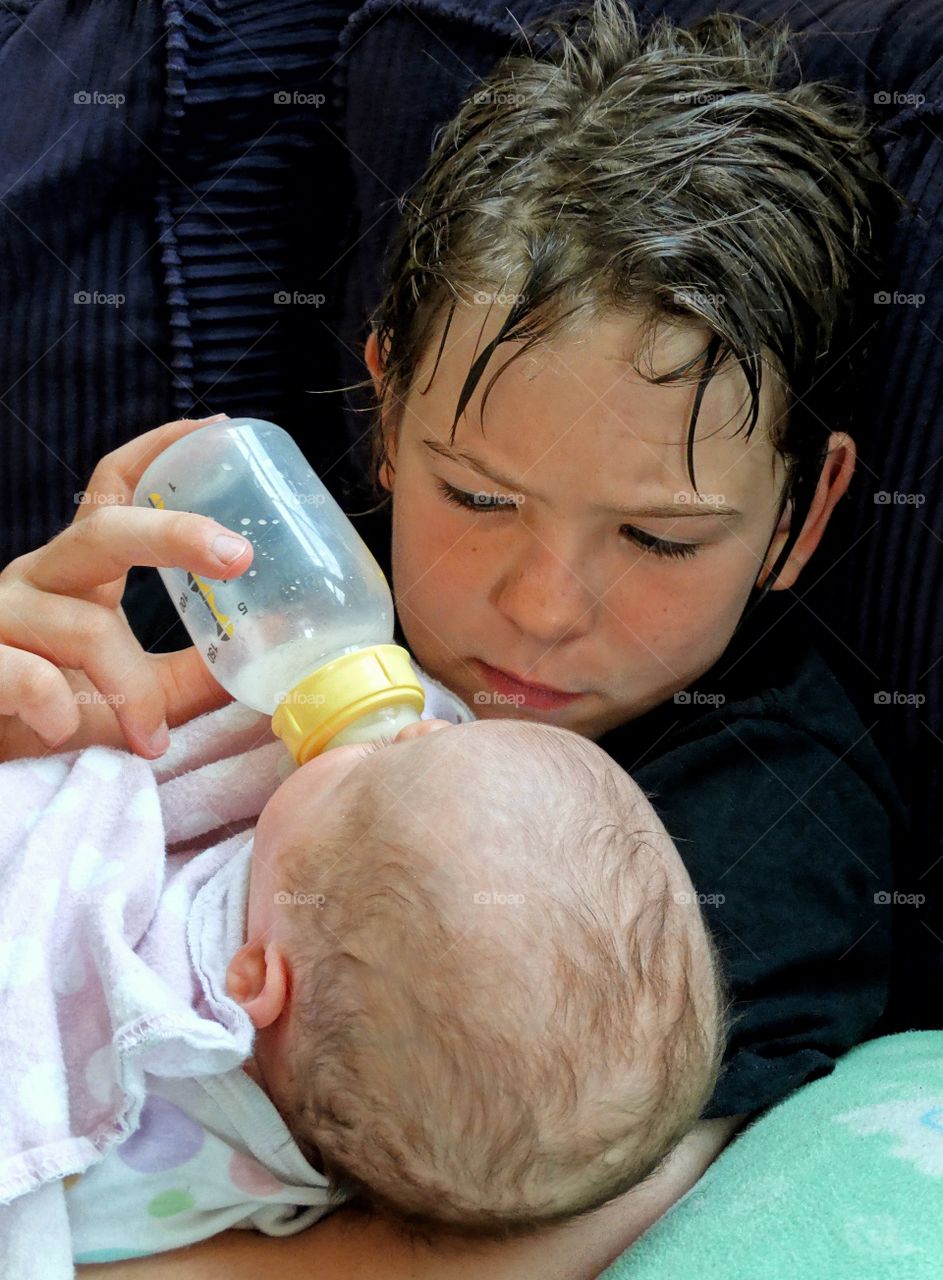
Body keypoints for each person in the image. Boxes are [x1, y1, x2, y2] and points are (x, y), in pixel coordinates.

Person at [0, 3, 904, 1276]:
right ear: (381, 410)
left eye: (657, 539)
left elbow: (493, 1247)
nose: (541, 605)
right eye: (477, 498)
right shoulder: (249, 586)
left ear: (802, 514)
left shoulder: (769, 824)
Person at [0, 710, 724, 1266]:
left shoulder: (153, 1023)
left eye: (377, 761)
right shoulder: (342, 1126)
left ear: (251, 977)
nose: (417, 721)